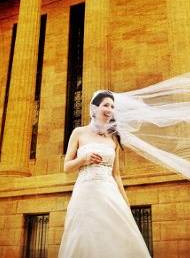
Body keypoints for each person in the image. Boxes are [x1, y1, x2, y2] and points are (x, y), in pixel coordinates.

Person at [58, 90, 151, 258]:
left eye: (113, 106)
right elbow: (66, 167)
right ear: (94, 108)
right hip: (85, 192)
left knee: (116, 237)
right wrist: (83, 159)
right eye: (106, 105)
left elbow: (116, 175)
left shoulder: (114, 138)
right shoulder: (79, 132)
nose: (110, 109)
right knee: (85, 236)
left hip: (109, 193)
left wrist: (126, 202)